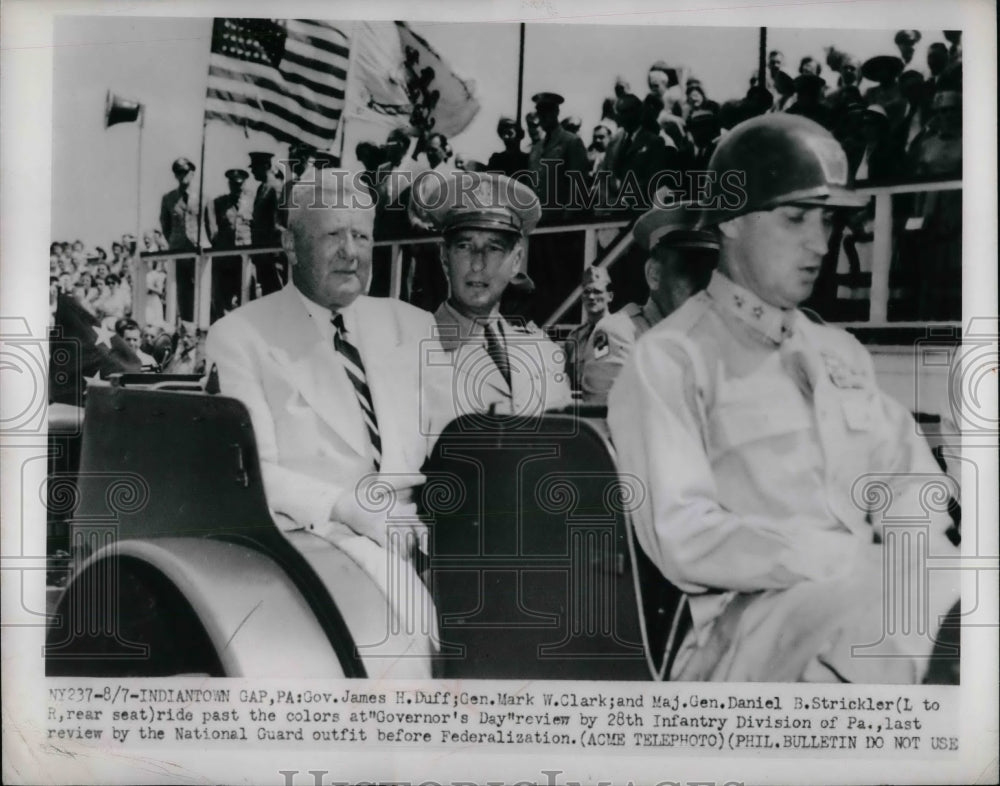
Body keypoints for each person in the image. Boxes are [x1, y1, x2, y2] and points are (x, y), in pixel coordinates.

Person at [608, 113, 960, 683]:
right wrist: (840, 560)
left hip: (867, 609)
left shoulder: (840, 352)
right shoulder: (673, 358)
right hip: (739, 633)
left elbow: (909, 479)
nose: (820, 243)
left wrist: (913, 555)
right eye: (796, 218)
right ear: (731, 220)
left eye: (826, 220)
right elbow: (685, 536)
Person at [206, 168, 443, 677]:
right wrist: (347, 506)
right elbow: (254, 470)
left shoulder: (413, 325)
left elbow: (451, 441)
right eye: (332, 234)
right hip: (324, 531)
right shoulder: (241, 336)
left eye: (361, 236)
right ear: (290, 244)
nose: (350, 252)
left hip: (425, 524)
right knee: (408, 642)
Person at [411, 170, 572, 419]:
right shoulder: (414, 352)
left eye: (494, 248)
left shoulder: (543, 351)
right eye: (465, 246)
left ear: (516, 260)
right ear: (444, 258)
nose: (478, 264)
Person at [580, 202, 718, 406]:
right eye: (688, 271)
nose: (703, 285)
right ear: (654, 275)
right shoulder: (617, 336)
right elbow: (611, 425)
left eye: (711, 271)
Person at [159, 156, 203, 321]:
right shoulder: (168, 198)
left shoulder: (202, 197)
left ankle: (201, 321)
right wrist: (174, 241)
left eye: (185, 172)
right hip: (178, 249)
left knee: (201, 288)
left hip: (198, 249)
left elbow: (209, 224)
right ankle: (186, 323)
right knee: (182, 290)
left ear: (192, 173)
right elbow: (165, 225)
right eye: (178, 172)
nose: (181, 175)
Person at [207, 168, 253, 316]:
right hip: (226, 260)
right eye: (233, 184)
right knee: (223, 298)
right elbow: (212, 229)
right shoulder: (219, 203)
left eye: (240, 184)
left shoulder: (252, 201)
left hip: (245, 259)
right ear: (229, 184)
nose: (237, 188)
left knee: (247, 295)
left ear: (244, 184)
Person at [563, 266, 612, 394]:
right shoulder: (574, 338)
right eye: (587, 292)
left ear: (610, 296)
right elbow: (567, 381)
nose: (591, 296)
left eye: (597, 291)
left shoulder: (620, 333)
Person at [247, 151, 285, 295]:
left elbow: (277, 222)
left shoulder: (275, 188)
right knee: (268, 293)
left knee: (277, 293)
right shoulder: (261, 188)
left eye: (255, 167)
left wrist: (274, 250)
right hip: (262, 253)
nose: (252, 171)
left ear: (266, 166)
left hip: (272, 253)